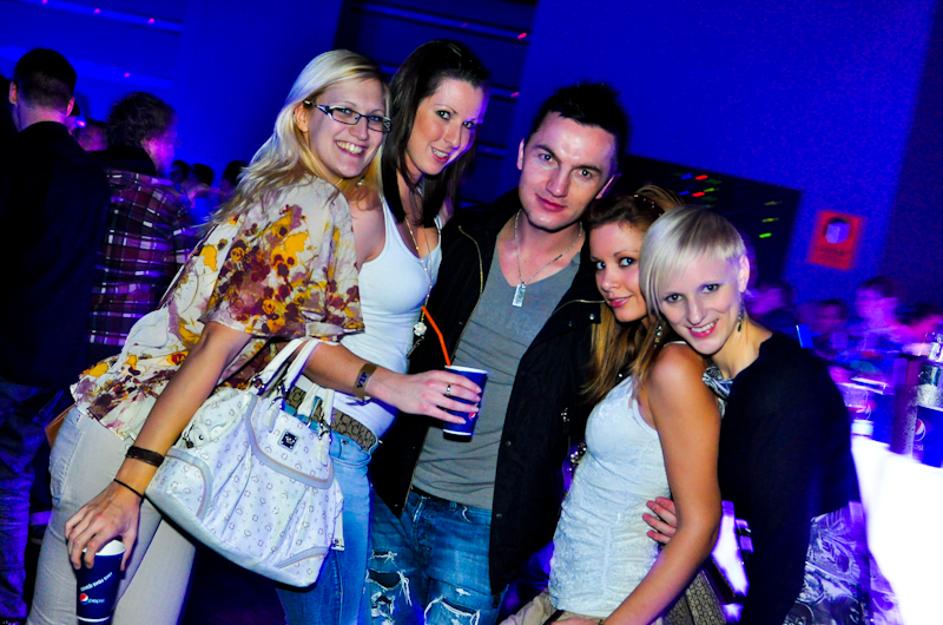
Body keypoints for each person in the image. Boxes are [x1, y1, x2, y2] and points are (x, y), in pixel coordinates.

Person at [27, 49, 480, 625]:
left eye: (373, 118)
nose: (361, 131)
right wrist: (127, 487)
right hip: (133, 435)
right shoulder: (311, 201)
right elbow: (216, 350)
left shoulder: (312, 194)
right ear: (302, 115)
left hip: (183, 442)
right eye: (343, 112)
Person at [367, 82, 629, 625]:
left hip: (488, 530)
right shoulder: (461, 237)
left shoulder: (604, 293)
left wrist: (669, 494)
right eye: (547, 158)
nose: (557, 185)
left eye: (583, 172)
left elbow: (647, 398)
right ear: (522, 152)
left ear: (605, 187)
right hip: (392, 496)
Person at [276, 39, 489, 625]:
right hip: (320, 438)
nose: (454, 138)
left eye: (470, 125)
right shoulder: (360, 202)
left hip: (357, 450)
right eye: (443, 114)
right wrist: (393, 385)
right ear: (406, 105)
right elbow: (291, 339)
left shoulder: (434, 207)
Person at [502, 189, 721, 625]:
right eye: (600, 264)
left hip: (609, 603)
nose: (607, 281)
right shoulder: (642, 352)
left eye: (626, 261)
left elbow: (702, 522)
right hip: (573, 593)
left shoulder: (676, 366)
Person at [640, 207, 868, 625]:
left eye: (710, 288)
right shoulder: (722, 375)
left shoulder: (782, 385)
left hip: (814, 610)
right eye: (674, 298)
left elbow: (781, 564)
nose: (695, 314)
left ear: (742, 274)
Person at [0, 48, 110, 625]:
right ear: (69, 106)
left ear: (14, 93)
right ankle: (14, 602)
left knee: (10, 483)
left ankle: (8, 602)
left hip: (9, 349)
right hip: (59, 354)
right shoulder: (91, 175)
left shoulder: (12, 161)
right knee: (21, 481)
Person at [87, 92, 197, 364]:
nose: (173, 151)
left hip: (63, 333)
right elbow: (186, 282)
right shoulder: (167, 200)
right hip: (125, 345)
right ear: (152, 141)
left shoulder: (80, 178)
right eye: (172, 141)